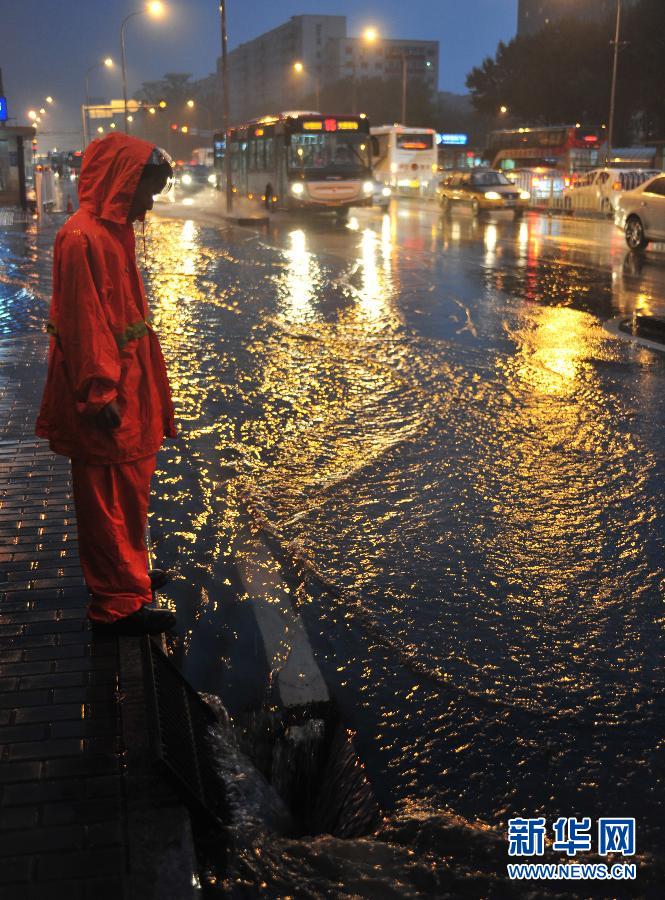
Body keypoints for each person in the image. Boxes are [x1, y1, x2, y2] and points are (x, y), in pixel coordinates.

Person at [36, 133, 177, 636]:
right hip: (108, 390)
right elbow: (84, 321)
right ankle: (116, 604)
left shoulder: (109, 232)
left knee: (129, 492)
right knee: (107, 501)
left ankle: (129, 577)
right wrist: (101, 392)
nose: (151, 201)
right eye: (148, 188)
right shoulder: (83, 238)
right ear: (123, 182)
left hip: (127, 382)